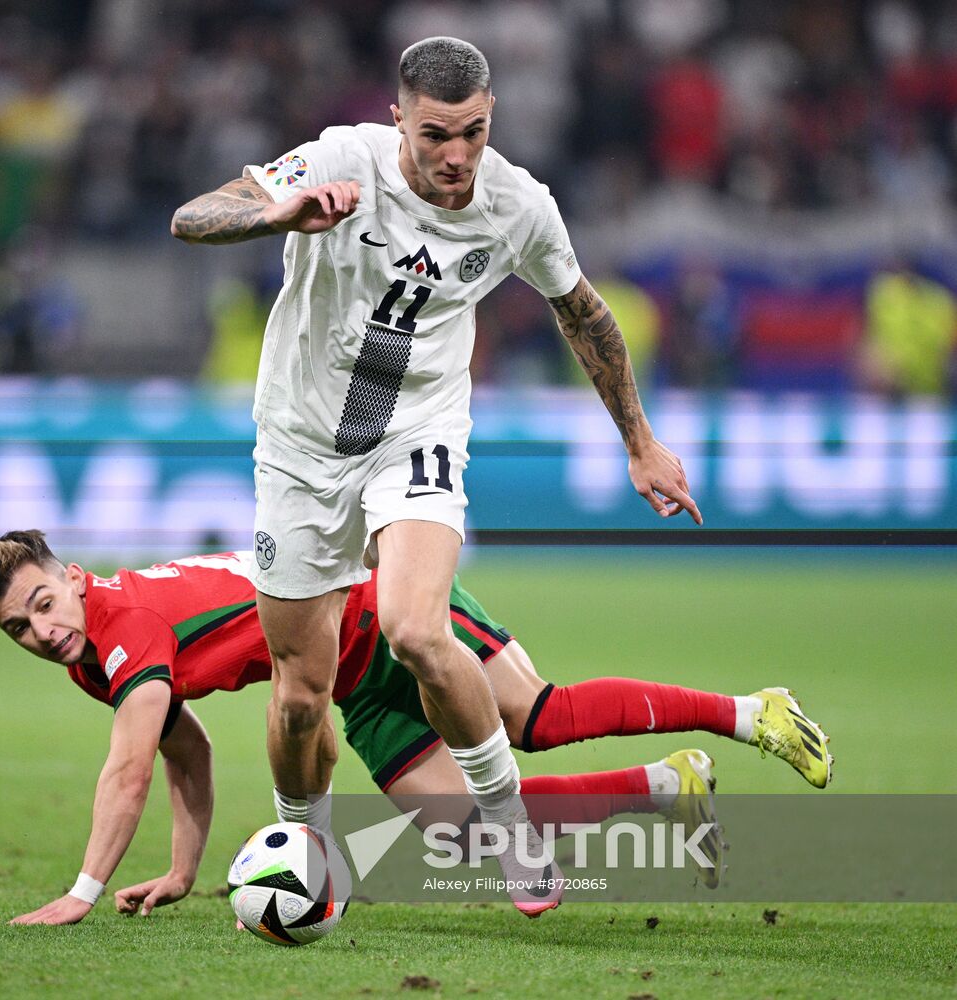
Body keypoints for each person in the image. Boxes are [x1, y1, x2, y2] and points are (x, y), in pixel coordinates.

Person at [170, 36, 703, 916]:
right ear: (397, 121)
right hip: (299, 450)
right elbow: (194, 217)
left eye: (473, 133)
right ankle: (303, 845)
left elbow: (583, 314)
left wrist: (639, 440)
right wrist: (279, 213)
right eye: (434, 135)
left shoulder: (518, 205)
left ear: (490, 117)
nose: (456, 155)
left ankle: (509, 831)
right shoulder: (339, 159)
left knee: (415, 630)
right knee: (300, 694)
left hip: (415, 434)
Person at [0, 530, 832, 926]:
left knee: (537, 717)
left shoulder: (124, 630)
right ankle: (666, 786)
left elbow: (128, 770)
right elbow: (185, 749)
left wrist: (82, 892)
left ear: (73, 577)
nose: (41, 629)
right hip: (349, 680)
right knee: (459, 830)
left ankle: (750, 712)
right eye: (18, 628)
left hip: (384, 611)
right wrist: (183, 872)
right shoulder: (89, 656)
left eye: (43, 602)